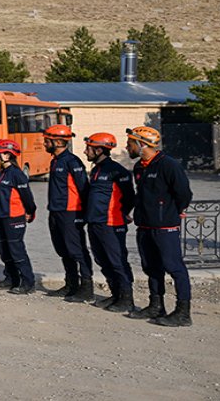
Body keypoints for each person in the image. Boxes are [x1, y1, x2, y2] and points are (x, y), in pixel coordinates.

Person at [125, 126, 193, 326]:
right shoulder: (139, 167)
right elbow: (141, 194)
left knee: (174, 267)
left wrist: (174, 212)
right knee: (151, 268)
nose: (127, 147)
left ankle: (183, 312)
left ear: (141, 144)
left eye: (130, 143)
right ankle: (156, 305)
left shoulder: (168, 165)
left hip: (165, 228)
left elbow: (184, 193)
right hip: (145, 226)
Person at [82, 133, 136, 311]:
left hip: (112, 224)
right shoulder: (96, 170)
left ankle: (127, 299)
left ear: (99, 150)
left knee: (117, 261)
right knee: (101, 259)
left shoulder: (117, 171)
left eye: (88, 148)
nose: (85, 151)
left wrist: (123, 213)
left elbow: (130, 197)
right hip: (95, 223)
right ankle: (116, 295)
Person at [42, 124, 94, 301]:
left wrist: (85, 214)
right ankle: (71, 285)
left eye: (47, 140)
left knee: (77, 250)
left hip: (71, 213)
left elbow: (84, 188)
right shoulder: (55, 161)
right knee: (63, 249)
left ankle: (86, 288)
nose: (44, 143)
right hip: (56, 211)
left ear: (57, 142)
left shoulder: (72, 161)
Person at [0, 139, 37, 295]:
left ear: (7, 155)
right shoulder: (2, 173)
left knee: (17, 251)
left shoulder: (17, 174)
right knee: (4, 251)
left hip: (13, 218)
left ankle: (28, 283)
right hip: (0, 217)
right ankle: (11, 279)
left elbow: (27, 197)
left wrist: (30, 211)